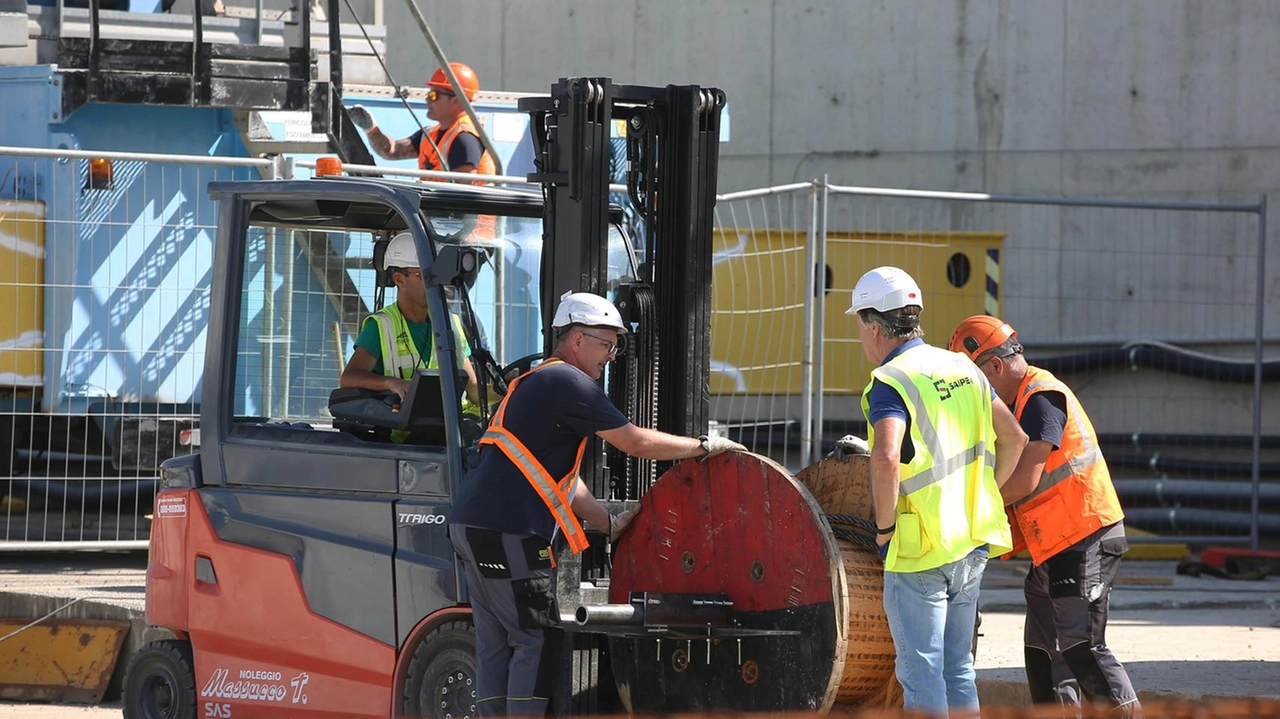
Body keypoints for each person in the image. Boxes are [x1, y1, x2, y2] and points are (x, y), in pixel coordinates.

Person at [448, 291, 746, 717]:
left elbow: (560, 481)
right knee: (536, 639)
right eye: (606, 345)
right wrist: (701, 446)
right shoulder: (569, 382)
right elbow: (635, 441)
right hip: (511, 530)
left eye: (615, 346)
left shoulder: (533, 383)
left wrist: (606, 522)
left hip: (471, 525)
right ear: (575, 341)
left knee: (496, 642)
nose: (611, 356)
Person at [848, 266, 1026, 716]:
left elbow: (886, 458)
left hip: (921, 547)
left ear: (873, 326)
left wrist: (885, 531)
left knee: (922, 675)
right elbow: (1017, 438)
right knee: (958, 670)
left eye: (859, 327)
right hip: (971, 540)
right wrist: (982, 493)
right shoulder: (962, 367)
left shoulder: (891, 381)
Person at [949, 315, 1140, 717]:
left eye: (974, 379)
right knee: (1042, 652)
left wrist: (966, 512)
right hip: (1052, 544)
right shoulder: (1018, 403)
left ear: (995, 367)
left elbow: (1024, 481)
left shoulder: (1041, 397)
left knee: (1080, 645)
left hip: (1084, 534)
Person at [339, 232, 480, 422]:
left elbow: (473, 389)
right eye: (425, 275)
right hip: (401, 441)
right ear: (399, 279)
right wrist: (391, 383)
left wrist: (509, 390)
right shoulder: (381, 326)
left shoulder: (451, 324)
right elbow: (349, 378)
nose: (435, 282)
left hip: (449, 435)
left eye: (436, 274)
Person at [347, 62, 495, 182]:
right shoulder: (430, 134)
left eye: (434, 94)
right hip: (439, 215)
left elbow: (462, 195)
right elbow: (391, 151)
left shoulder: (465, 138)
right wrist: (371, 129)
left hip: (465, 219)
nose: (427, 99)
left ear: (456, 100)